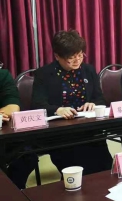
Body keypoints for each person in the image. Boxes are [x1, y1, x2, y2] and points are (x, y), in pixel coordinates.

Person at [31, 30, 113, 175]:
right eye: (71, 58)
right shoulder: (44, 74)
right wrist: (58, 110)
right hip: (61, 132)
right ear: (57, 56)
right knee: (77, 168)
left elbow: (99, 98)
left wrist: (93, 104)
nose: (77, 61)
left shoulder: (88, 70)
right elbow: (37, 104)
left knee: (105, 166)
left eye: (80, 55)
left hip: (88, 128)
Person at [0, 68, 39, 189]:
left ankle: (14, 192)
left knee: (27, 155)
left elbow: (12, 108)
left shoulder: (2, 75)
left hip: (4, 135)